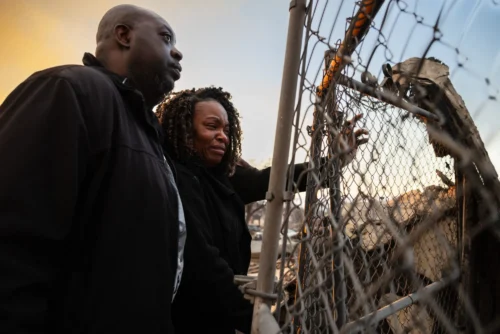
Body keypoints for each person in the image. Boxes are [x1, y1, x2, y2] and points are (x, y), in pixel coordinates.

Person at [0, 5, 184, 334]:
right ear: (124, 35)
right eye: (166, 38)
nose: (178, 52)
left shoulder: (145, 132)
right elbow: (14, 243)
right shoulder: (67, 89)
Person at [156, 87, 368, 334]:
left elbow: (275, 179)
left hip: (220, 317)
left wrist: (333, 162)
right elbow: (203, 263)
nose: (223, 136)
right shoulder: (177, 178)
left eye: (226, 130)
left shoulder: (223, 177)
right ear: (184, 130)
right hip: (188, 319)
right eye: (212, 126)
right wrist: (254, 319)